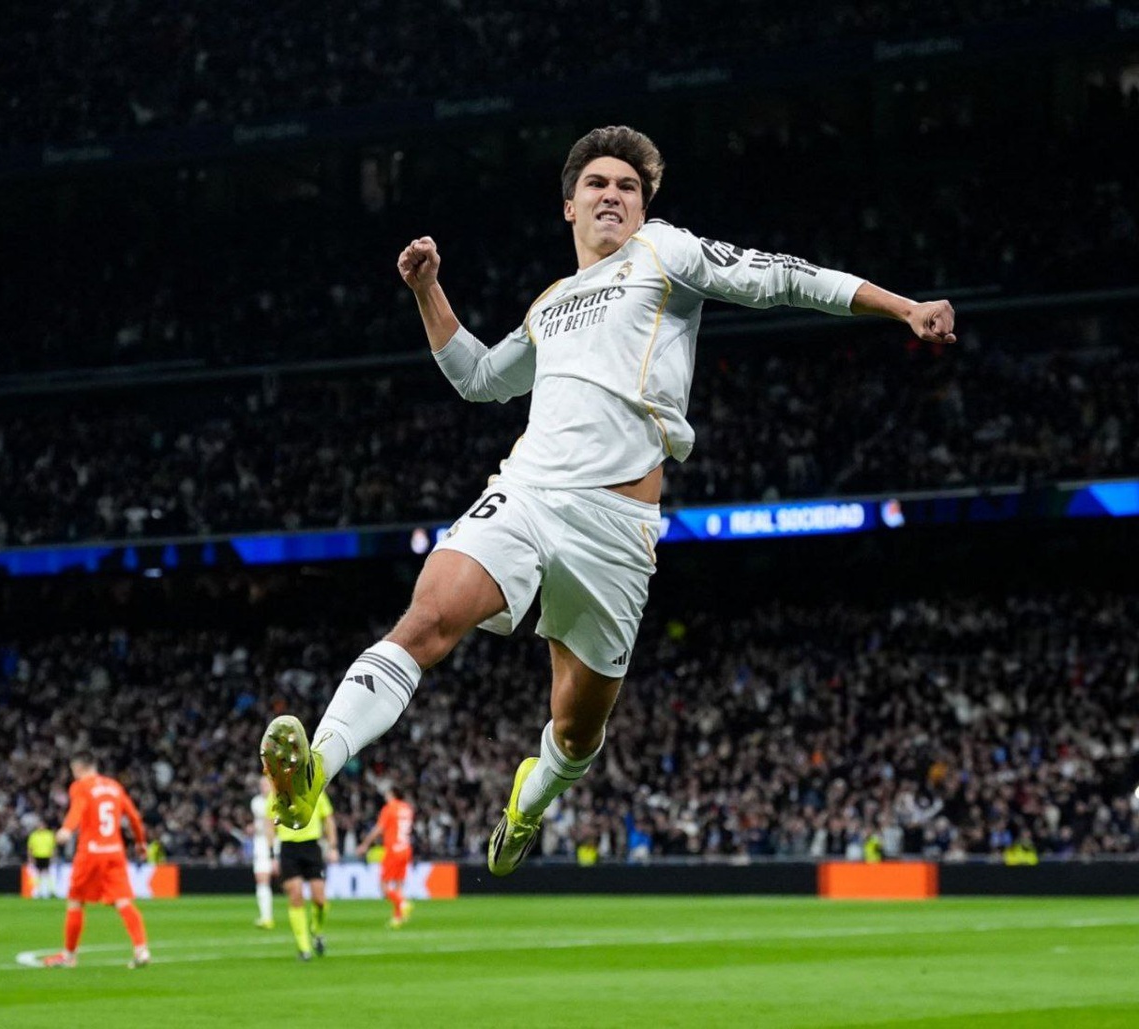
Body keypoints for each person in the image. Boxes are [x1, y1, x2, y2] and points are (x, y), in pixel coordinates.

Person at [261, 124, 957, 877]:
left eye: (629, 186)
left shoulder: (665, 251)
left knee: (576, 730)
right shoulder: (551, 303)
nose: (613, 195)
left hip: (617, 530)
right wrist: (428, 290)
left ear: (643, 206)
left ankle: (527, 802)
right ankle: (315, 769)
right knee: (429, 616)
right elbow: (481, 379)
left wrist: (902, 307)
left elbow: (786, 278)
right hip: (528, 493)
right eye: (597, 183)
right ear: (569, 205)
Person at [42, 752, 151, 969]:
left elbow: (78, 808)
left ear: (78, 768)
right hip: (115, 851)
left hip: (91, 852)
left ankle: (69, 956)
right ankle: (141, 951)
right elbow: (134, 816)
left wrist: (67, 829)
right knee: (123, 901)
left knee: (75, 902)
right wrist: (140, 843)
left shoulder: (81, 786)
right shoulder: (114, 786)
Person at [274, 785, 338, 960]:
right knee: (296, 895)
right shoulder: (278, 791)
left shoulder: (315, 791)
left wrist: (333, 846)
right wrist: (272, 854)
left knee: (320, 900)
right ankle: (304, 948)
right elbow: (269, 822)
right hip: (288, 848)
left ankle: (316, 929)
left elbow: (328, 819)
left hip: (311, 847)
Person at [355, 785, 415, 928]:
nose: (385, 796)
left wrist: (365, 844)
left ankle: (402, 903)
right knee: (399, 885)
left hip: (393, 850)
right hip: (406, 849)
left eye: (387, 793)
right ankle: (398, 918)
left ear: (393, 794)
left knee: (383, 886)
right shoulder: (407, 808)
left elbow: (379, 829)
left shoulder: (389, 808)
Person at [250, 777, 277, 928]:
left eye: (266, 784)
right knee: (262, 878)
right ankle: (266, 917)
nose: (263, 787)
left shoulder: (281, 799)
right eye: (261, 784)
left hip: (279, 842)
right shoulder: (256, 802)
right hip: (261, 844)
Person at [27, 819, 57, 899]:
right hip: (37, 856)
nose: (41, 827)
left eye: (42, 825)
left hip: (47, 856)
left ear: (45, 826)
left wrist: (53, 856)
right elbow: (30, 848)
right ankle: (38, 891)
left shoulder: (49, 835)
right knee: (38, 874)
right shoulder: (33, 835)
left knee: (48, 873)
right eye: (39, 825)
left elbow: (53, 847)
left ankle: (51, 891)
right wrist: (30, 857)